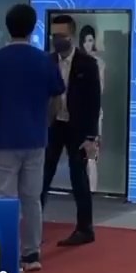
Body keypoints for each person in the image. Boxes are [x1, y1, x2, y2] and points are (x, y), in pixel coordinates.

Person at [0, 4, 65, 272]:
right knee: (32, 199)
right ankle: (31, 254)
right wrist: (45, 123)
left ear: (8, 27)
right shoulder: (45, 61)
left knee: (4, 199)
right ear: (33, 27)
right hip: (36, 139)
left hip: (5, 139)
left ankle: (8, 257)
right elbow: (57, 99)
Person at [41, 13, 102, 247]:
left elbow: (94, 101)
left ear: (72, 36)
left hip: (78, 127)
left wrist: (91, 136)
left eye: (62, 35)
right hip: (53, 125)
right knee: (43, 175)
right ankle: (34, 227)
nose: (57, 40)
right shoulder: (47, 62)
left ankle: (85, 228)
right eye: (54, 35)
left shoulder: (87, 63)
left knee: (78, 177)